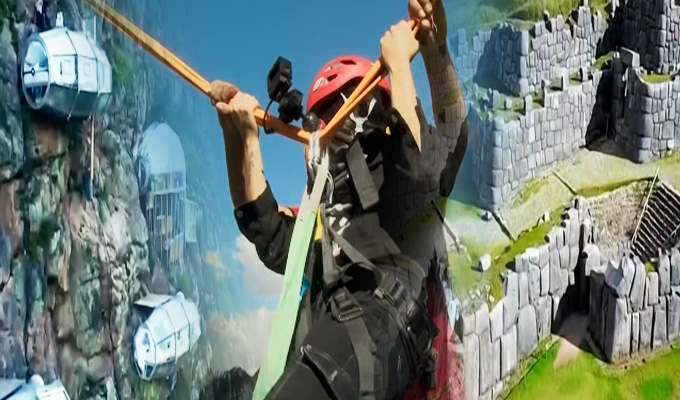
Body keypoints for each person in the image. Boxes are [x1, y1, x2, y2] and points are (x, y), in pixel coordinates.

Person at [209, 0, 467, 399]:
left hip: (385, 332)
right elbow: (266, 230)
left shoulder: (405, 184)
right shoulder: (319, 227)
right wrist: (239, 138)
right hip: (338, 346)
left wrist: (426, 54)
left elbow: (441, 149)